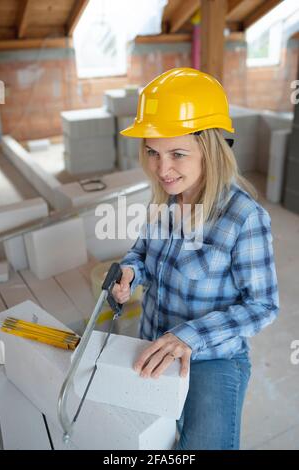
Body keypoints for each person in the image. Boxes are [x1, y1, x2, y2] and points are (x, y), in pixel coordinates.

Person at [112, 68, 279, 450]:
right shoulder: (166, 200)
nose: (161, 168)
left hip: (214, 357)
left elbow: (263, 306)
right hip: (153, 341)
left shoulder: (243, 218)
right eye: (153, 152)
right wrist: (130, 274)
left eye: (178, 154)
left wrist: (187, 336)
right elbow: (142, 253)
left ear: (211, 148)